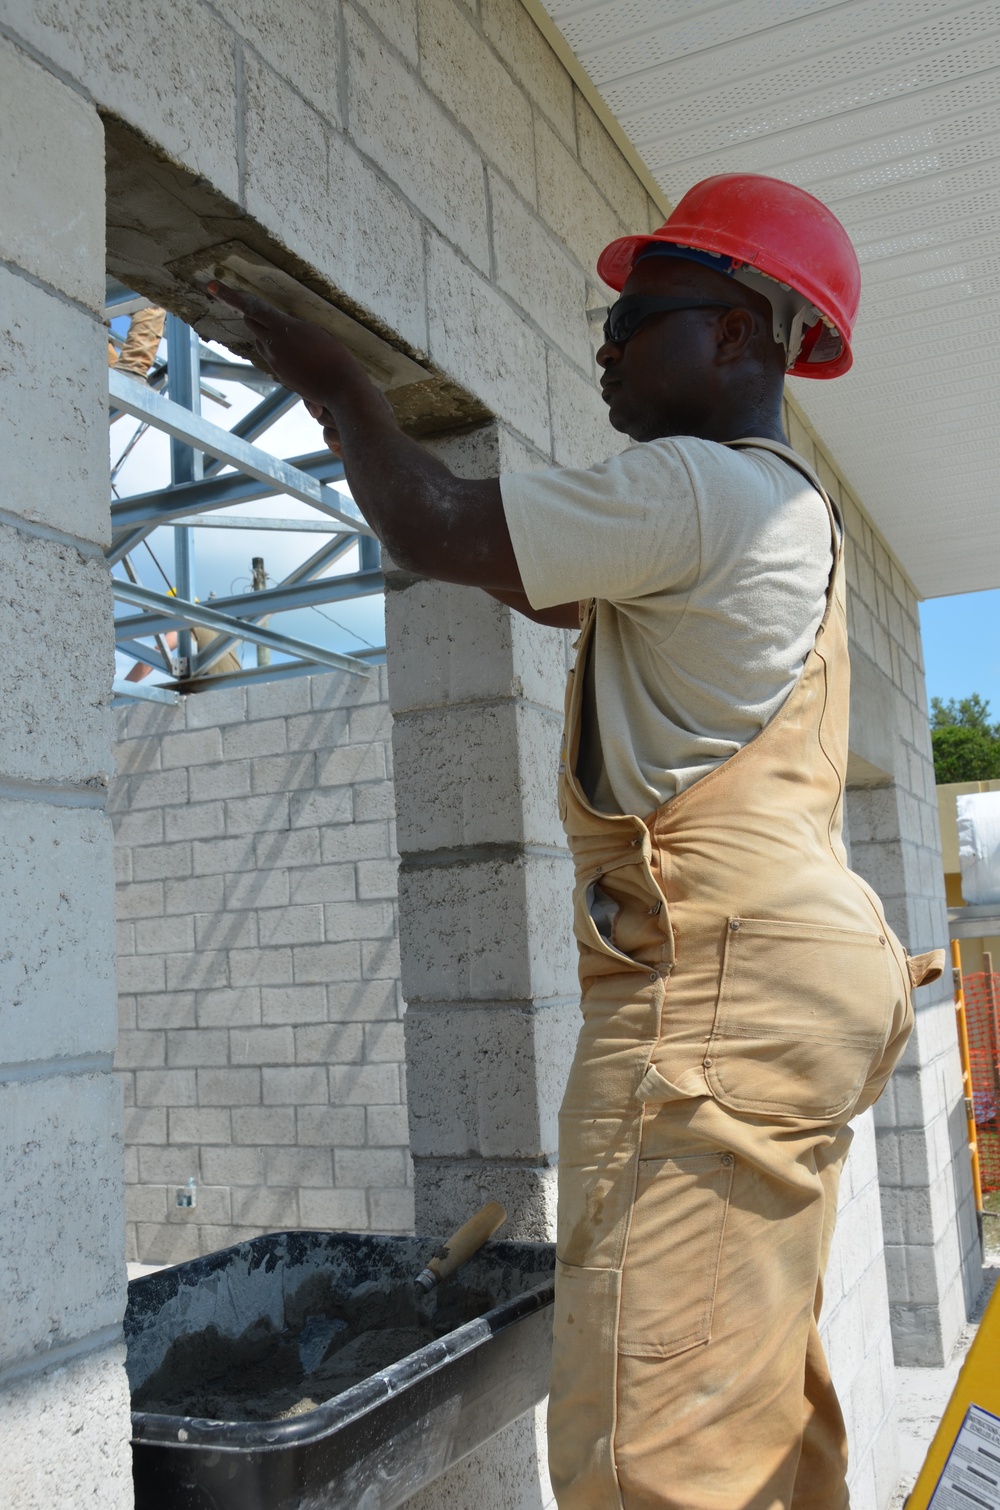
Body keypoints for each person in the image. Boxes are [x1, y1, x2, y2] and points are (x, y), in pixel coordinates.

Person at [209, 173, 943, 1510]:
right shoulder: (781, 516)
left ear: (737, 333)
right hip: (807, 988)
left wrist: (332, 377)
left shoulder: (695, 488)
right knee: (750, 1392)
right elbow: (535, 584)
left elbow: (436, 525)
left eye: (636, 315)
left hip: (709, 1002)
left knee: (652, 1445)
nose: (603, 343)